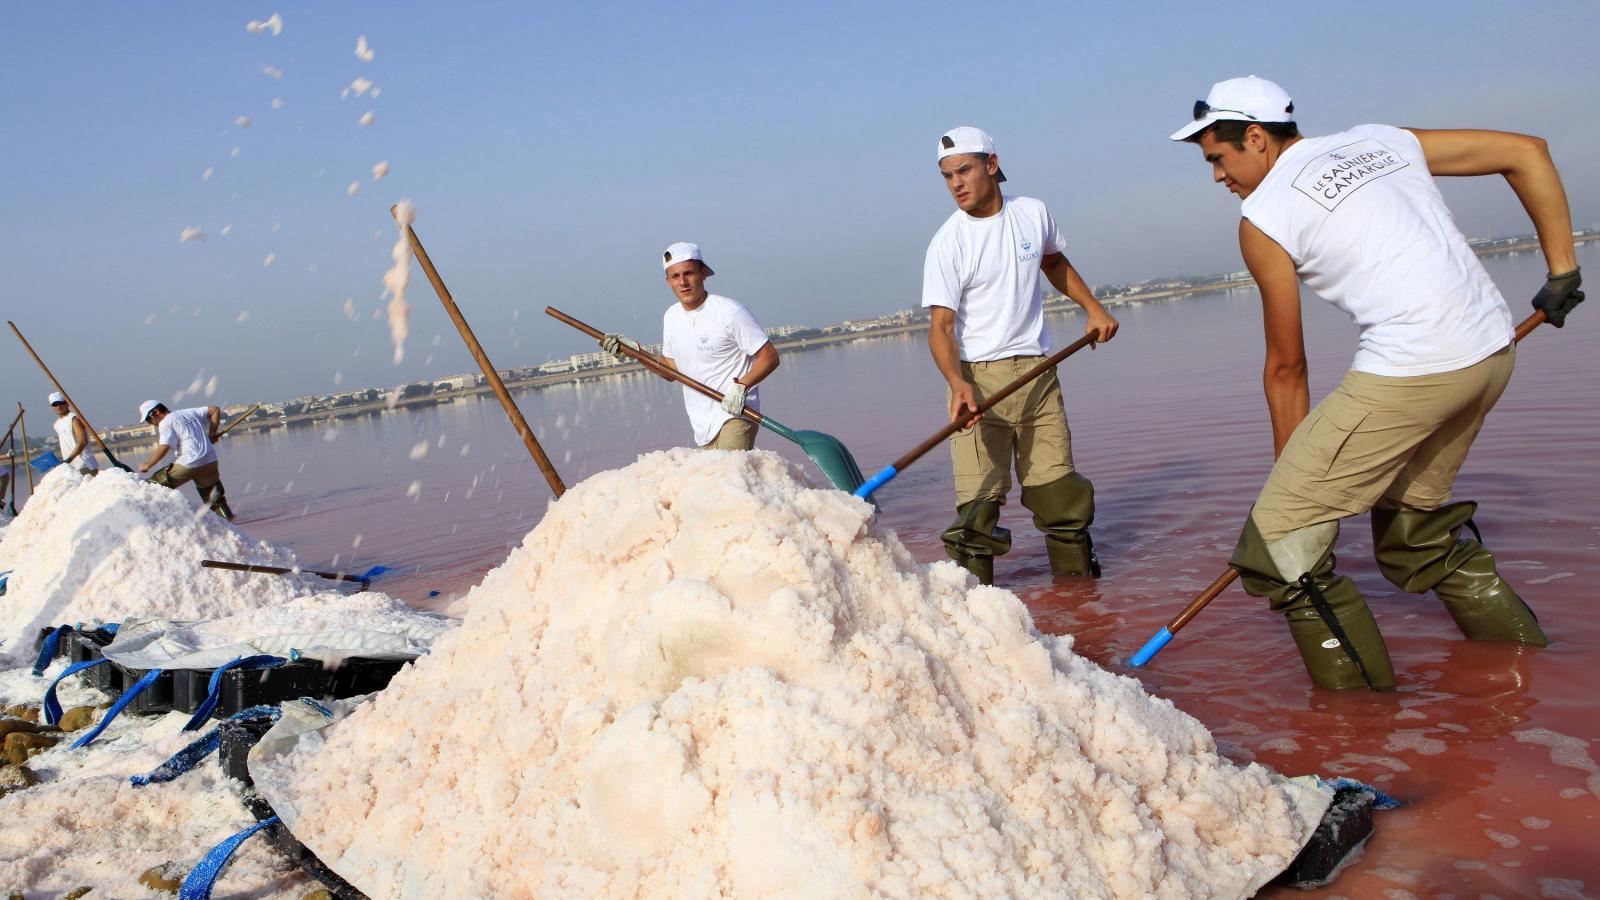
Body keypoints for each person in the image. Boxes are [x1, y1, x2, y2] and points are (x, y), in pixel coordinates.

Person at [1170, 76, 1584, 690]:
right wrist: (1562, 271)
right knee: (1415, 534)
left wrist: (1292, 483)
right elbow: (1527, 151)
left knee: (1281, 551)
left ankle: (1364, 736)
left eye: (1217, 158)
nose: (1217, 178)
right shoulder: (1380, 140)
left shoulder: (1263, 216)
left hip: (1417, 367)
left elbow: (1287, 366)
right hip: (1490, 350)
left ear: (1254, 138)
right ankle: (1540, 680)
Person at [923, 126, 1119, 586]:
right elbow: (941, 327)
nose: (956, 183)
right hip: (976, 384)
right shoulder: (948, 243)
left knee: (1060, 497)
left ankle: (1078, 604)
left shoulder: (1033, 214)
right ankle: (978, 607)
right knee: (977, 510)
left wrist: (1093, 309)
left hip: (1038, 372)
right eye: (947, 175)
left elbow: (1053, 262)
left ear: (992, 165)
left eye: (964, 170)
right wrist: (957, 384)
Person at [600, 242, 780, 451]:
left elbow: (769, 356)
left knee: (729, 478)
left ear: (703, 273)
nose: (683, 282)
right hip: (702, 424)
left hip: (736, 414)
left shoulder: (730, 312)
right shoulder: (671, 316)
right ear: (668, 281)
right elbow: (670, 370)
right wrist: (636, 353)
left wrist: (741, 387)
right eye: (675, 276)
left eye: (689, 273)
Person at [136, 400, 235, 520]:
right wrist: (212, 434)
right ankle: (232, 525)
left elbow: (164, 447)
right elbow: (214, 410)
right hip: (210, 462)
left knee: (151, 486)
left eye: (148, 419)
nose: (149, 423)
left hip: (189, 463)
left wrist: (148, 464)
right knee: (216, 501)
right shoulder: (188, 413)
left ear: (156, 412)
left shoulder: (165, 423)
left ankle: (152, 519)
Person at [48, 391, 99, 476]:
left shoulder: (74, 419)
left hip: (85, 464)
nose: (59, 407)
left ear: (67, 403)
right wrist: (67, 461)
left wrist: (70, 458)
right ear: (52, 407)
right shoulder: (56, 424)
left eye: (61, 403)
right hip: (71, 467)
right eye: (55, 404)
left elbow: (83, 441)